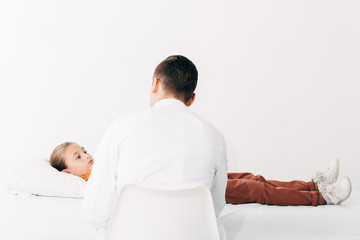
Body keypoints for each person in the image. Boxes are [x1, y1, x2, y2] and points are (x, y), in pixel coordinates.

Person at [80, 55, 229, 239]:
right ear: (191, 99)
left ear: (155, 84)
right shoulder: (214, 136)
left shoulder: (121, 127)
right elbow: (213, 208)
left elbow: (96, 213)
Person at [51, 141, 352, 207]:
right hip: (185, 188)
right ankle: (322, 198)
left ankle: (312, 184)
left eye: (84, 150)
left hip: (183, 174)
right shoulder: (92, 184)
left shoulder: (103, 167)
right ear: (68, 172)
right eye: (79, 157)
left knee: (253, 178)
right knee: (255, 191)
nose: (87, 155)